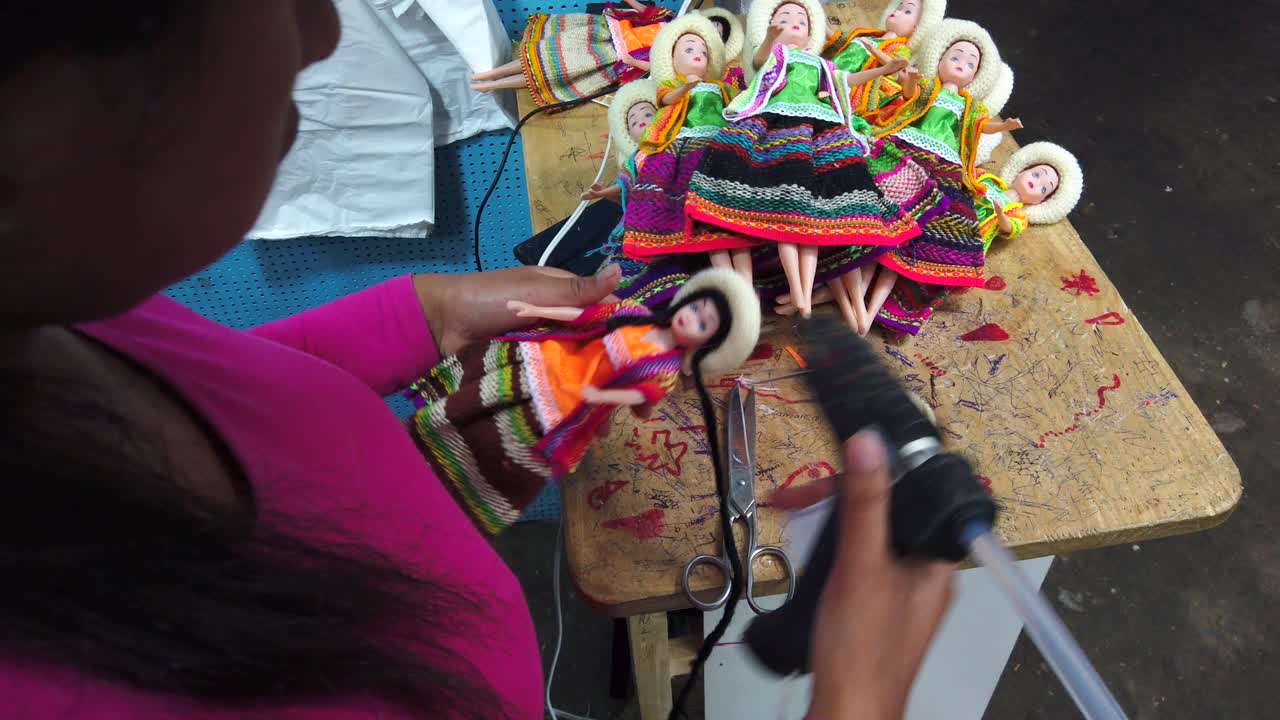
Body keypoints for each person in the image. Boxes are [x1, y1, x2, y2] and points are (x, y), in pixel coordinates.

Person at [0, 2, 955, 719]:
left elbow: (224, 378)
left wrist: (424, 312)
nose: (324, 31)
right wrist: (855, 703)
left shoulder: (68, 327)